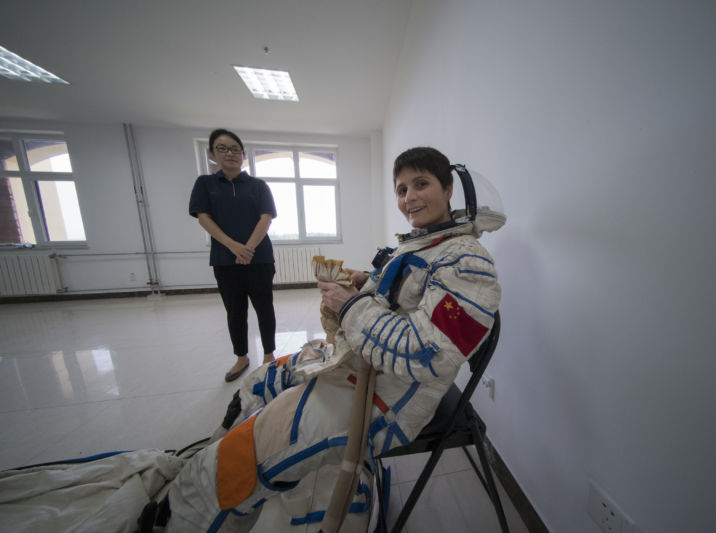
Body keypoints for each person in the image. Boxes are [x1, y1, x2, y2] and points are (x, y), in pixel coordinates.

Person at [164, 147, 505, 531]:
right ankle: (205, 465)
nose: (408, 198)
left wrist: (351, 305)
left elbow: (429, 355)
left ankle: (184, 511)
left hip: (389, 400)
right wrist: (365, 282)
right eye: (401, 189)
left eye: (420, 184)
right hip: (361, 366)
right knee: (260, 380)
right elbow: (400, 299)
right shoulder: (428, 244)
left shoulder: (468, 263)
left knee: (245, 456)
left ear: (448, 190)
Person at [189, 129, 278, 382]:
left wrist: (248, 248)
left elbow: (266, 218)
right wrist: (233, 247)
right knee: (234, 311)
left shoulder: (258, 186)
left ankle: (269, 355)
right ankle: (241, 357)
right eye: (222, 148)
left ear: (243, 154)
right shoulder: (205, 184)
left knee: (264, 307)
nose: (230, 153)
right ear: (211, 153)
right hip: (225, 260)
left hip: (259, 258)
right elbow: (203, 218)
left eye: (235, 149)